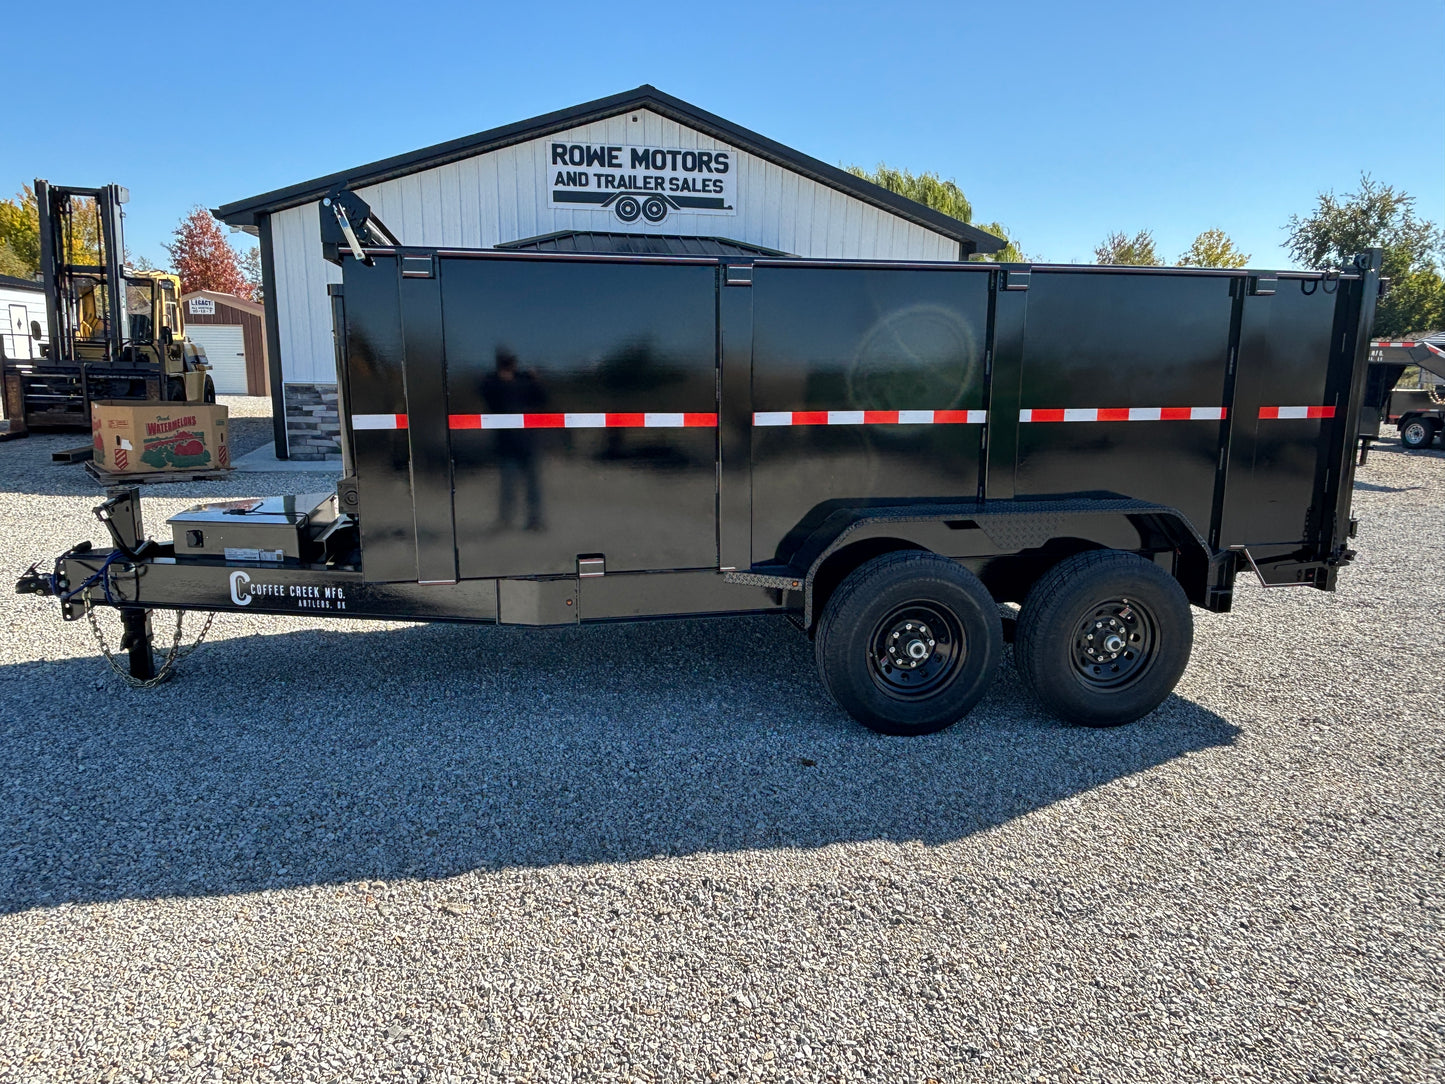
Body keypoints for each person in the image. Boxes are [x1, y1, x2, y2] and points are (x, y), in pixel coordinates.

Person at [481, 348, 545, 530]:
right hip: (507, 443)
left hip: (527, 442)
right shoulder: (493, 382)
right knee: (508, 486)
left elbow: (541, 398)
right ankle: (506, 520)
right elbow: (485, 393)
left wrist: (535, 380)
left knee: (532, 486)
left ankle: (535, 520)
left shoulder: (524, 381)